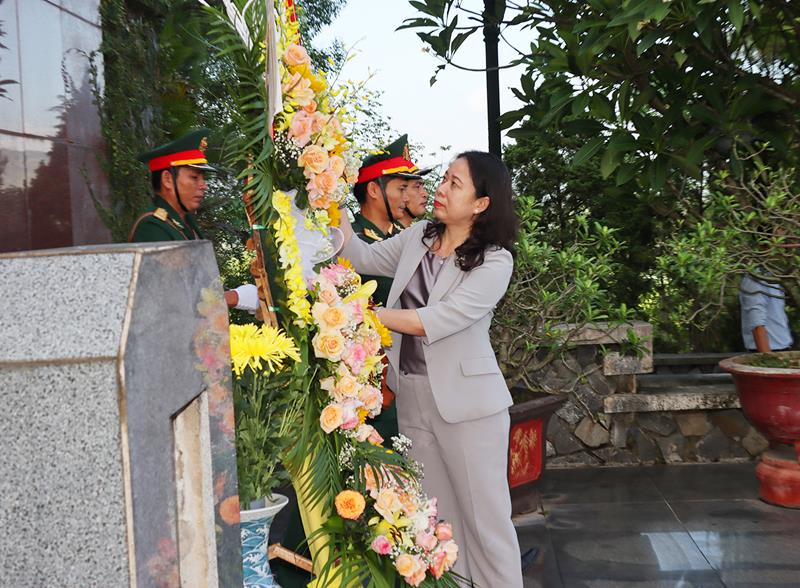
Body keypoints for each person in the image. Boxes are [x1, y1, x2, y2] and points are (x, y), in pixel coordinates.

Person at [338, 150, 524, 587]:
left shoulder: (495, 260)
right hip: (414, 397)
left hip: (470, 408)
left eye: (455, 184)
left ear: (481, 203)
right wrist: (325, 190)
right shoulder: (419, 235)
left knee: (486, 526)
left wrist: (359, 313)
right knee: (437, 523)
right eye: (444, 179)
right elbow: (360, 257)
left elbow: (434, 321)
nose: (440, 189)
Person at [130, 128, 258, 312]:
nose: (203, 185)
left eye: (202, 178)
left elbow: (198, 284)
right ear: (167, 179)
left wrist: (230, 294)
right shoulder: (152, 227)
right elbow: (174, 298)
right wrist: (233, 297)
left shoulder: (186, 223)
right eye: (194, 177)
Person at [739, 273, 794, 352]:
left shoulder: (773, 277)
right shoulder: (755, 281)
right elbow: (757, 325)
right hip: (769, 351)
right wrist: (767, 359)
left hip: (783, 347)